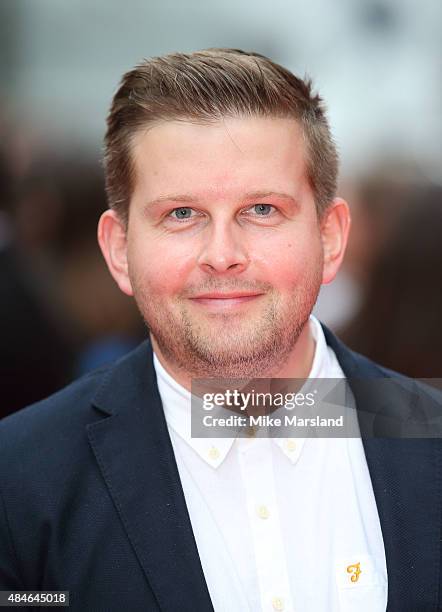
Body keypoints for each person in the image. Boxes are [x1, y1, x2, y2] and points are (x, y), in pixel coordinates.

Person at [0, 49, 440, 612]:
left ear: (330, 238)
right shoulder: (19, 481)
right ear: (118, 249)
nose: (223, 256)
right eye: (181, 214)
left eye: (261, 209)